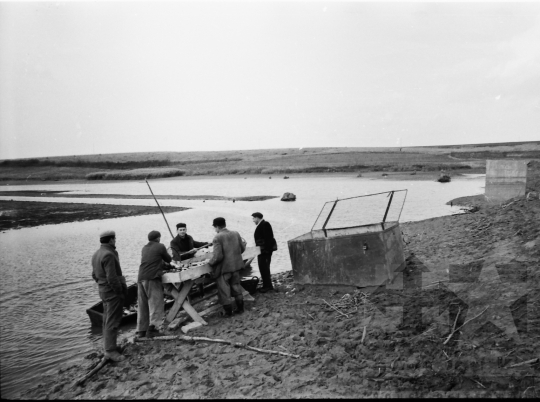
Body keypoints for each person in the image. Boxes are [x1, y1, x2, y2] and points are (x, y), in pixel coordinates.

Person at [91, 230, 127, 362]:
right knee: (113, 320)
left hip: (103, 291)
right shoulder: (108, 254)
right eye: (115, 239)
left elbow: (94, 275)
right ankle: (111, 351)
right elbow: (112, 278)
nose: (115, 241)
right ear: (111, 240)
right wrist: (119, 292)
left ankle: (108, 347)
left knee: (107, 319)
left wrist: (102, 285)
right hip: (112, 292)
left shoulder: (97, 254)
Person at [136, 230, 172, 339]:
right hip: (152, 278)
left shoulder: (144, 248)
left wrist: (164, 266)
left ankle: (141, 330)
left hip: (141, 278)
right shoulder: (160, 246)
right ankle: (154, 329)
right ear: (158, 238)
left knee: (143, 305)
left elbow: (154, 261)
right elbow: (168, 259)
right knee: (156, 303)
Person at [207, 217, 246, 316]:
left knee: (224, 291)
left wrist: (210, 263)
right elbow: (242, 249)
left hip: (225, 269)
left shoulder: (217, 237)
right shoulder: (236, 233)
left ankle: (228, 313)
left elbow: (218, 257)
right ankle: (240, 308)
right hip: (236, 266)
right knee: (236, 287)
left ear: (216, 227)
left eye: (214, 227)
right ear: (224, 224)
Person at [251, 212, 276, 292]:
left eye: (253, 218)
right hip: (262, 251)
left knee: (264, 268)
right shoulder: (262, 224)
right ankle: (266, 285)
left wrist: (267, 250)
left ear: (257, 218)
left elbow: (269, 238)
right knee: (263, 268)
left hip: (265, 251)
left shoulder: (265, 224)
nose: (253, 220)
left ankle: (268, 286)